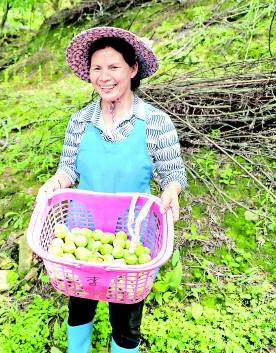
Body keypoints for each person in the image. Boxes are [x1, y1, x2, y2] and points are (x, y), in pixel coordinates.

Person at [37, 27, 187, 353]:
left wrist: (171, 190)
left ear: (133, 70)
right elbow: (68, 169)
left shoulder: (156, 123)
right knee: (79, 308)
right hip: (82, 236)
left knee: (126, 319)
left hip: (132, 237)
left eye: (114, 67)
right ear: (89, 74)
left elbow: (172, 172)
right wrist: (55, 182)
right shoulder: (79, 121)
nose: (105, 77)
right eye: (97, 68)